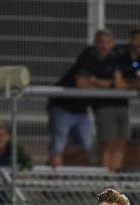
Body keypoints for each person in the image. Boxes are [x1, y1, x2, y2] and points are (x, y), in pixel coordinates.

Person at [47, 30, 119, 167]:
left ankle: (52, 163)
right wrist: (102, 83)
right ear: (95, 43)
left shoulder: (113, 59)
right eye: (100, 42)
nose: (104, 46)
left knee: (86, 146)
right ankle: (54, 178)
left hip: (82, 110)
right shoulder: (89, 54)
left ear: (112, 44)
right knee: (58, 144)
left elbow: (115, 84)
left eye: (107, 42)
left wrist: (94, 80)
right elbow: (81, 83)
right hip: (62, 107)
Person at [106, 27, 140, 172]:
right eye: (137, 39)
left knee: (122, 140)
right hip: (106, 102)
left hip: (123, 104)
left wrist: (138, 84)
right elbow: (117, 84)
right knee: (108, 142)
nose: (139, 43)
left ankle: (114, 173)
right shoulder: (118, 53)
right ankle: (104, 175)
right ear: (130, 39)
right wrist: (137, 85)